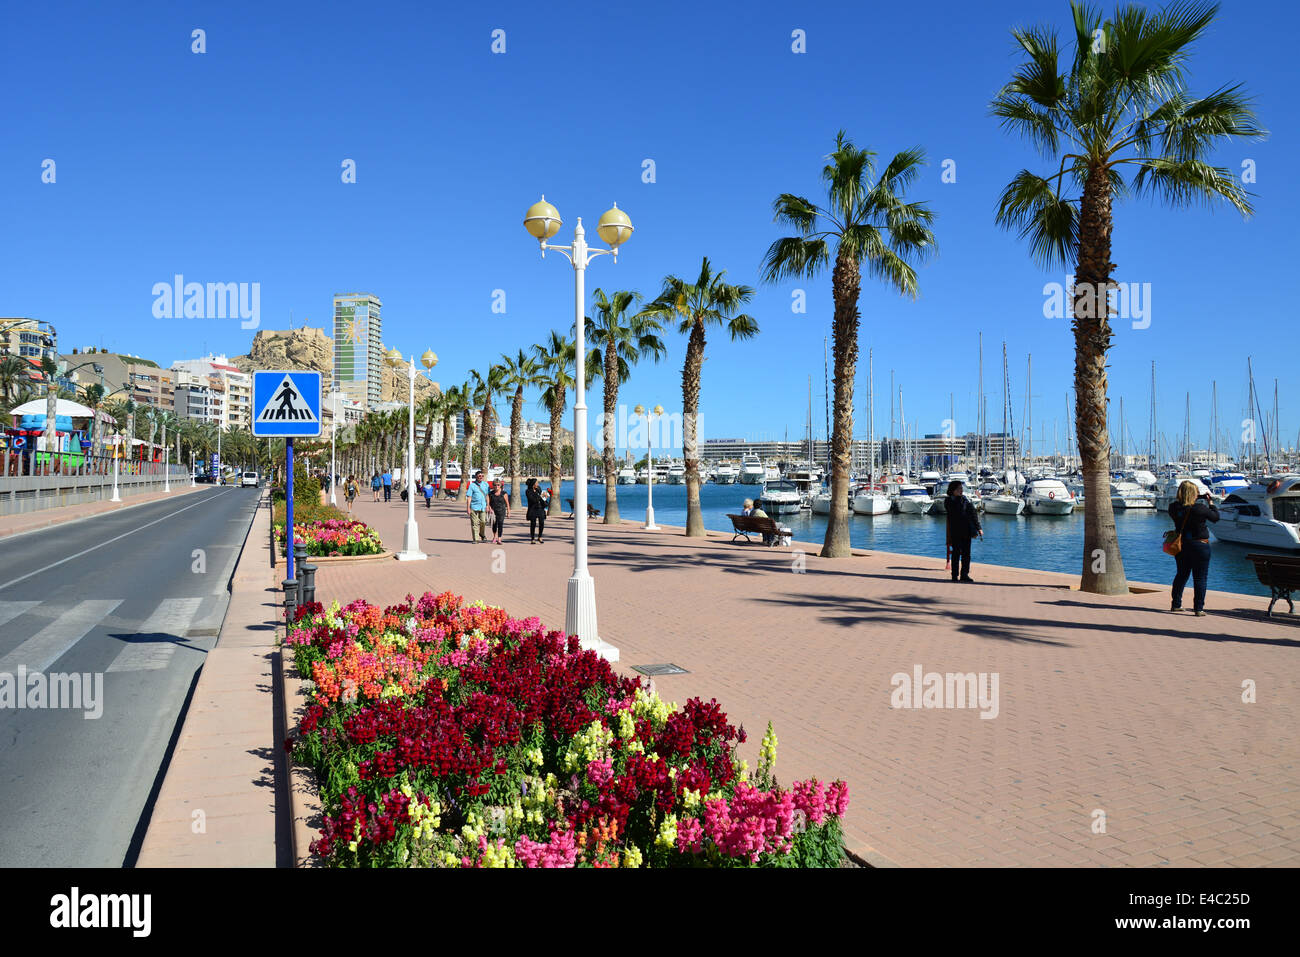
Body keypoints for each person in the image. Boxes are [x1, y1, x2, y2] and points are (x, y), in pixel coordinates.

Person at [1169, 480, 1219, 616]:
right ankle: (1198, 608)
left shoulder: (1173, 507)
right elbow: (1215, 517)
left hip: (1181, 545)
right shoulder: (1200, 509)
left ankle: (1176, 604)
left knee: (1181, 575)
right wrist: (1211, 504)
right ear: (1193, 494)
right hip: (1200, 545)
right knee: (1200, 578)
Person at [944, 480, 982, 582]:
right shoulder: (949, 501)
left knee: (966, 555)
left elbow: (973, 514)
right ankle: (954, 575)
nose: (961, 490)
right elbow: (955, 512)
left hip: (967, 531)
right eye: (958, 489)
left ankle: (964, 574)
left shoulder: (965, 500)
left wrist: (979, 528)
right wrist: (960, 500)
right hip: (955, 531)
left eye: (961, 488)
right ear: (952, 490)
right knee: (956, 553)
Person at [466, 470, 491, 543]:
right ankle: (475, 539)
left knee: (483, 522)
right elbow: (469, 497)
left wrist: (488, 505)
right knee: (475, 523)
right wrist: (468, 508)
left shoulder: (486, 485)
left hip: (483, 506)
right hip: (474, 506)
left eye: (482, 476)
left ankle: (482, 534)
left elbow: (487, 495)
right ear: (476, 476)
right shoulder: (472, 485)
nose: (481, 477)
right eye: (479, 476)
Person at [488, 479, 510, 544]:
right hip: (493, 511)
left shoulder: (504, 493)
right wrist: (490, 508)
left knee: (500, 524)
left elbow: (507, 503)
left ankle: (499, 539)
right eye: (495, 485)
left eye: (498, 485)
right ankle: (495, 537)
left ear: (500, 485)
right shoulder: (491, 494)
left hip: (501, 511)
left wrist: (508, 512)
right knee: (494, 525)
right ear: (493, 486)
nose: (496, 486)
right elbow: (488, 503)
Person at [526, 478, 547, 544]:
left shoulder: (539, 489)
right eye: (537, 483)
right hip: (533, 509)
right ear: (533, 484)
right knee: (533, 524)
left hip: (540, 508)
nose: (538, 484)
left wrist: (545, 497)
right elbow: (533, 500)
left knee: (542, 523)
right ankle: (532, 538)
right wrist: (540, 496)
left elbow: (542, 498)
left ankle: (540, 537)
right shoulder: (528, 491)